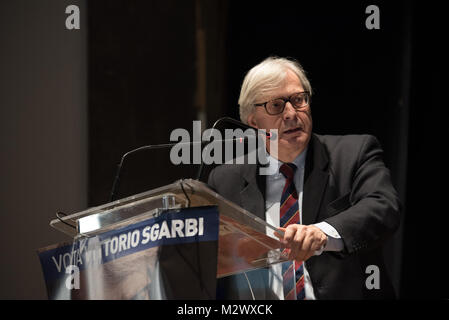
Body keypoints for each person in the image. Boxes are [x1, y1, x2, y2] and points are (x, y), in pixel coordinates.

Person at [207, 56, 401, 300]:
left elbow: (383, 207)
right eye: (276, 105)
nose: (291, 113)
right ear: (254, 122)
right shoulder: (226, 180)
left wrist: (323, 233)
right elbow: (210, 259)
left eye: (298, 100)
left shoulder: (354, 154)